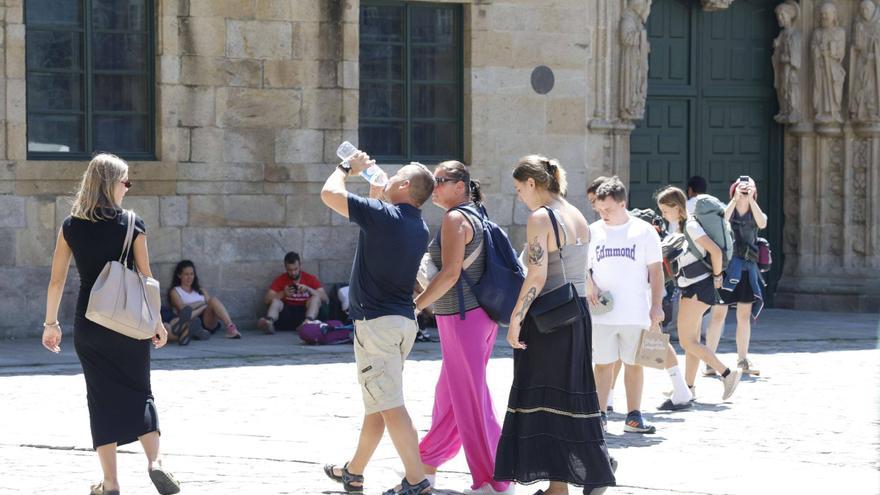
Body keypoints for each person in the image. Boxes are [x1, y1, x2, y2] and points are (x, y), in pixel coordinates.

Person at [41, 153, 180, 495]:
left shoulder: (71, 225)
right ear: (111, 184)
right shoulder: (132, 223)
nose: (127, 189)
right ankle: (155, 463)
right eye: (125, 182)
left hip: (90, 324)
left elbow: (56, 281)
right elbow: (147, 277)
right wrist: (158, 322)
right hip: (130, 325)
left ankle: (111, 483)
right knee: (140, 393)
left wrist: (50, 323)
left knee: (100, 399)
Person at [495, 155, 616, 495]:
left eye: (520, 189)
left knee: (543, 399)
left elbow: (537, 273)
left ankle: (582, 475)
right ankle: (567, 481)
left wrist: (516, 319)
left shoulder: (541, 217)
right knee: (568, 397)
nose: (519, 196)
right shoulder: (575, 212)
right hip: (576, 313)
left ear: (533, 184)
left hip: (549, 317)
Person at [321, 151, 436, 495]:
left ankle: (417, 480)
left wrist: (346, 168)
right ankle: (353, 472)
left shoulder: (385, 217)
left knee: (390, 404)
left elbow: (329, 194)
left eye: (397, 173)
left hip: (377, 326)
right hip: (401, 324)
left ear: (402, 184)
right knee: (379, 404)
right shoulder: (417, 225)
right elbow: (379, 230)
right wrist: (376, 193)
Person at [412, 161, 510, 495]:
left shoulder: (456, 218)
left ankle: (494, 481)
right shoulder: (475, 213)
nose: (434, 186)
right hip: (476, 319)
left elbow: (451, 273)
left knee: (471, 402)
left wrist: (417, 304)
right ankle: (426, 464)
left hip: (462, 318)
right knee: (450, 396)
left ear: (460, 185)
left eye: (440, 180)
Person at [588, 177, 666, 434]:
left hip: (635, 311)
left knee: (635, 364)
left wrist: (657, 306)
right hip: (602, 313)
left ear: (623, 204)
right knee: (602, 364)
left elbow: (656, 272)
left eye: (608, 209)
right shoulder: (593, 231)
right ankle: (599, 416)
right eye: (600, 209)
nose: (603, 214)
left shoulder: (643, 231)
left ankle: (633, 416)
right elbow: (583, 267)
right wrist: (590, 284)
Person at [656, 186, 743, 400]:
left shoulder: (691, 226)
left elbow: (714, 250)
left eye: (665, 211)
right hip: (692, 285)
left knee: (687, 342)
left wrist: (716, 277)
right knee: (692, 340)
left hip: (698, 286)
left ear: (677, 207)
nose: (663, 215)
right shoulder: (683, 226)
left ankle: (727, 374)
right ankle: (688, 387)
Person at [705, 177, 768, 376]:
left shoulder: (754, 209)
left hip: (747, 268)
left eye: (749, 188)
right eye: (741, 188)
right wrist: (735, 199)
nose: (745, 191)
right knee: (718, 315)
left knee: (743, 316)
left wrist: (750, 200)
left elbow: (762, 223)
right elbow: (722, 220)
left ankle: (742, 359)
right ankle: (709, 361)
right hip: (727, 269)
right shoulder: (727, 209)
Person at [168, 260, 241, 339]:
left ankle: (231, 329)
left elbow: (210, 304)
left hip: (207, 320)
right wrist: (202, 305)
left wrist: (202, 305)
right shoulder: (175, 291)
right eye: (186, 274)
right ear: (179, 275)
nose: (189, 277)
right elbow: (183, 309)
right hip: (190, 319)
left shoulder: (200, 290)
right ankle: (197, 331)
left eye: (192, 274)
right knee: (191, 317)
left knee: (213, 300)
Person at [257, 252, 328, 334]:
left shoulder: (310, 278)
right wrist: (283, 293)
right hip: (287, 315)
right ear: (285, 268)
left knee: (315, 298)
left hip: (305, 312)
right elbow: (267, 299)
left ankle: (307, 323)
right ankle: (268, 323)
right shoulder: (281, 279)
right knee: (276, 301)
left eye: (295, 269)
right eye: (290, 270)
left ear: (300, 266)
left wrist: (309, 290)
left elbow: (325, 298)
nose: (293, 273)